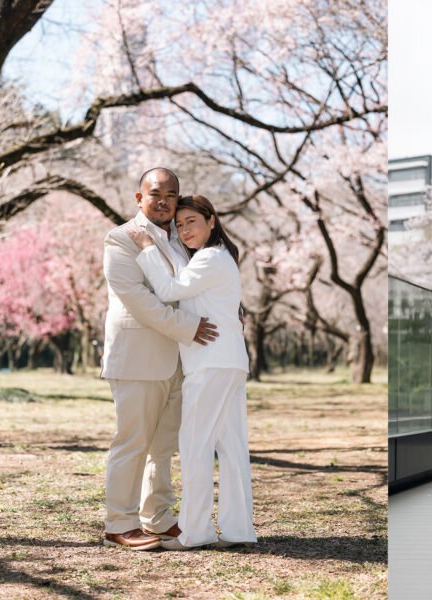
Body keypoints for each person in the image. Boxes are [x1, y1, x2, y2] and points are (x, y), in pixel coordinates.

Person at [126, 194, 257, 550]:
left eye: (191, 222)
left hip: (211, 363)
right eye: (180, 224)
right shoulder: (219, 257)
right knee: (231, 447)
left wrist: (146, 248)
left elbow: (169, 289)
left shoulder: (210, 257)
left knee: (195, 445)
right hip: (229, 361)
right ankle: (237, 529)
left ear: (211, 220)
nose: (184, 230)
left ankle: (194, 532)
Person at [102, 168, 219, 551]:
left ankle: (159, 517)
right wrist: (189, 327)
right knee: (132, 441)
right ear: (140, 198)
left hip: (179, 360)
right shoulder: (121, 239)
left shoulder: (182, 238)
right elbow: (139, 300)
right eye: (156, 194)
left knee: (163, 446)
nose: (165, 201)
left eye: (172, 194)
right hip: (138, 357)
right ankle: (119, 523)